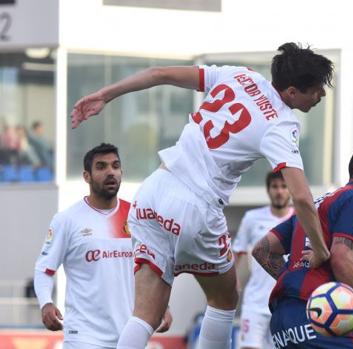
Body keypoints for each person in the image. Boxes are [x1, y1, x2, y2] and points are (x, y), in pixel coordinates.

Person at [70, 43, 333, 349]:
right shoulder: (282, 123)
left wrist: (107, 94)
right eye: (316, 90)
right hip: (195, 206)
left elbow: (160, 73)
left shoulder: (240, 75)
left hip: (154, 190)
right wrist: (319, 249)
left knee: (145, 314)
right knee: (224, 298)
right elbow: (300, 197)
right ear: (291, 92)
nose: (321, 96)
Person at [253, 138, 353, 348]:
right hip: (321, 313)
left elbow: (262, 250)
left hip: (282, 321)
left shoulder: (316, 206)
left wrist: (297, 276)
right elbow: (342, 258)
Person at [33, 143, 172, 349]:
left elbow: (150, 268)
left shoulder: (136, 217)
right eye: (101, 167)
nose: (110, 172)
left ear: (121, 172)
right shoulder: (67, 220)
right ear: (86, 176)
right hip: (83, 336)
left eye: (115, 166)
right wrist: (45, 303)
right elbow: (44, 269)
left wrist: (162, 305)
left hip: (129, 335)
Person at [233, 171, 294, 349]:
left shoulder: (300, 219)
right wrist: (232, 280)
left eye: (284, 186)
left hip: (286, 303)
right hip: (256, 302)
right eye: (275, 187)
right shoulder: (252, 218)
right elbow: (237, 253)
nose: (279, 191)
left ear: (290, 190)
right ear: (268, 190)